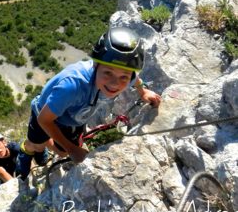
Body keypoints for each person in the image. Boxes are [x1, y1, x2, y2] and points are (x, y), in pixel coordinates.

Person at [17, 26, 162, 179]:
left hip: (74, 117)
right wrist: (73, 150)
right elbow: (44, 120)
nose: (114, 83)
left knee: (62, 151)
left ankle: (48, 144)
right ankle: (27, 149)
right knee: (37, 144)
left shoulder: (125, 73)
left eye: (123, 77)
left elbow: (134, 79)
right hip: (44, 113)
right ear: (95, 66)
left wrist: (143, 91)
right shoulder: (72, 86)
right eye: (108, 73)